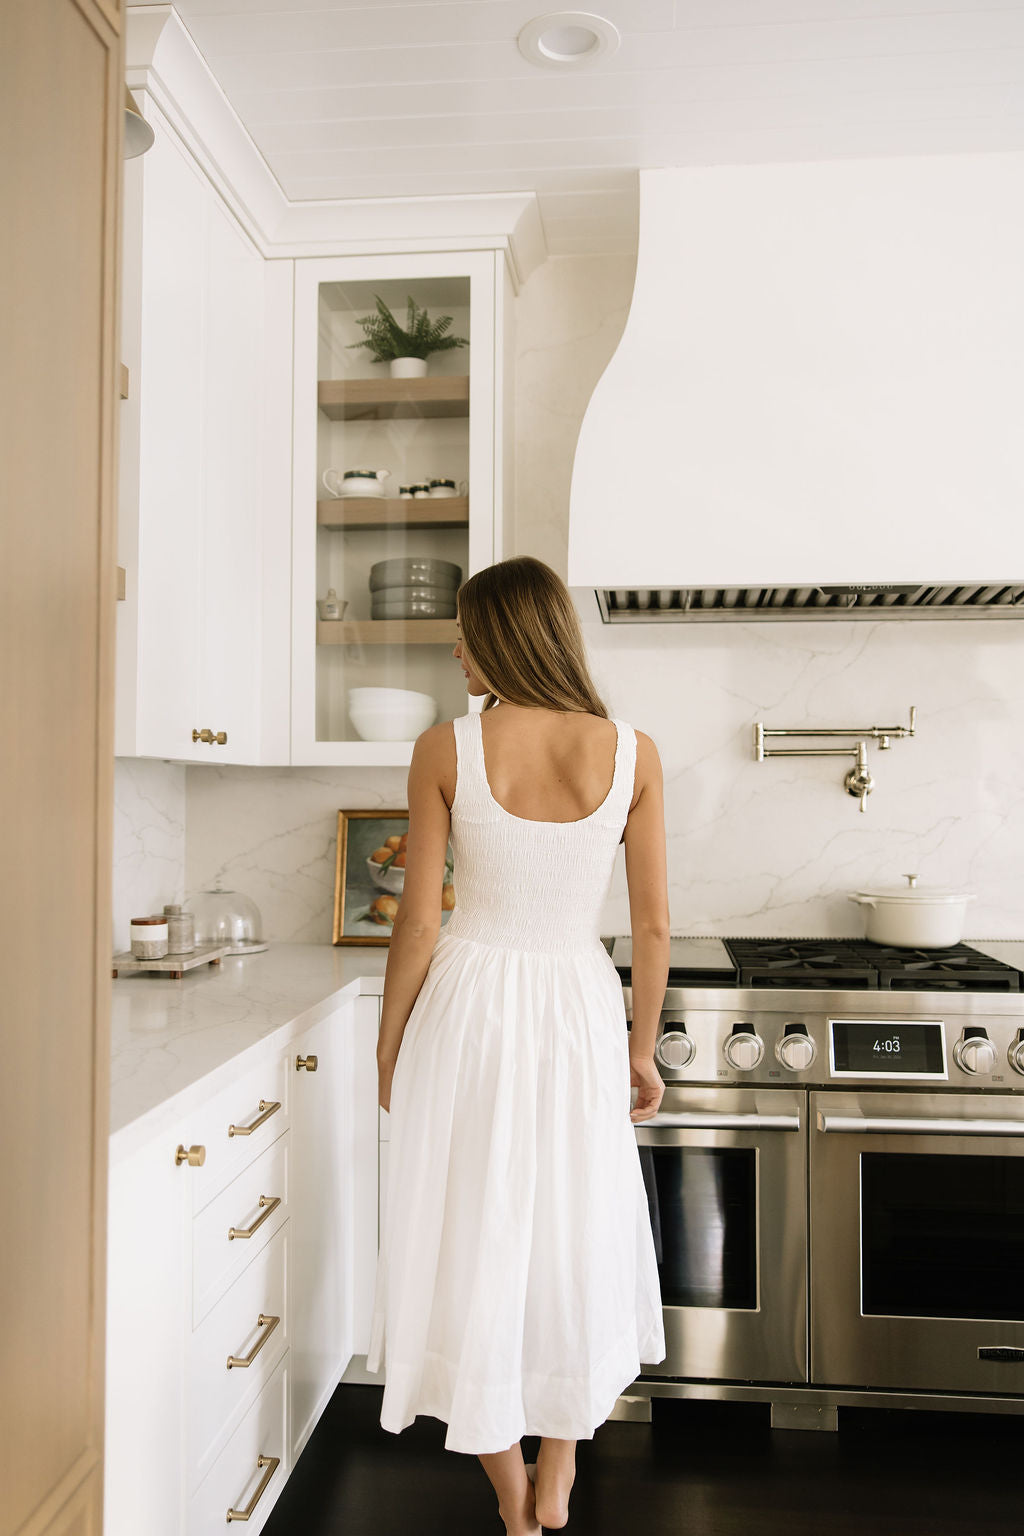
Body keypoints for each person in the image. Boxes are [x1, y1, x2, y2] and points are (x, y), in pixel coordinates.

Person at [366, 556, 668, 1535]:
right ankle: (560, 1469)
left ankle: (510, 1491)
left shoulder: (443, 747)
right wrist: (641, 1046)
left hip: (469, 1003)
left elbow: (417, 922)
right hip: (578, 1003)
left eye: (462, 630)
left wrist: (389, 1045)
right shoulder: (633, 752)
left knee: (469, 1228)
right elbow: (654, 928)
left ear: (501, 636)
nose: (454, 646)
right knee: (567, 1226)